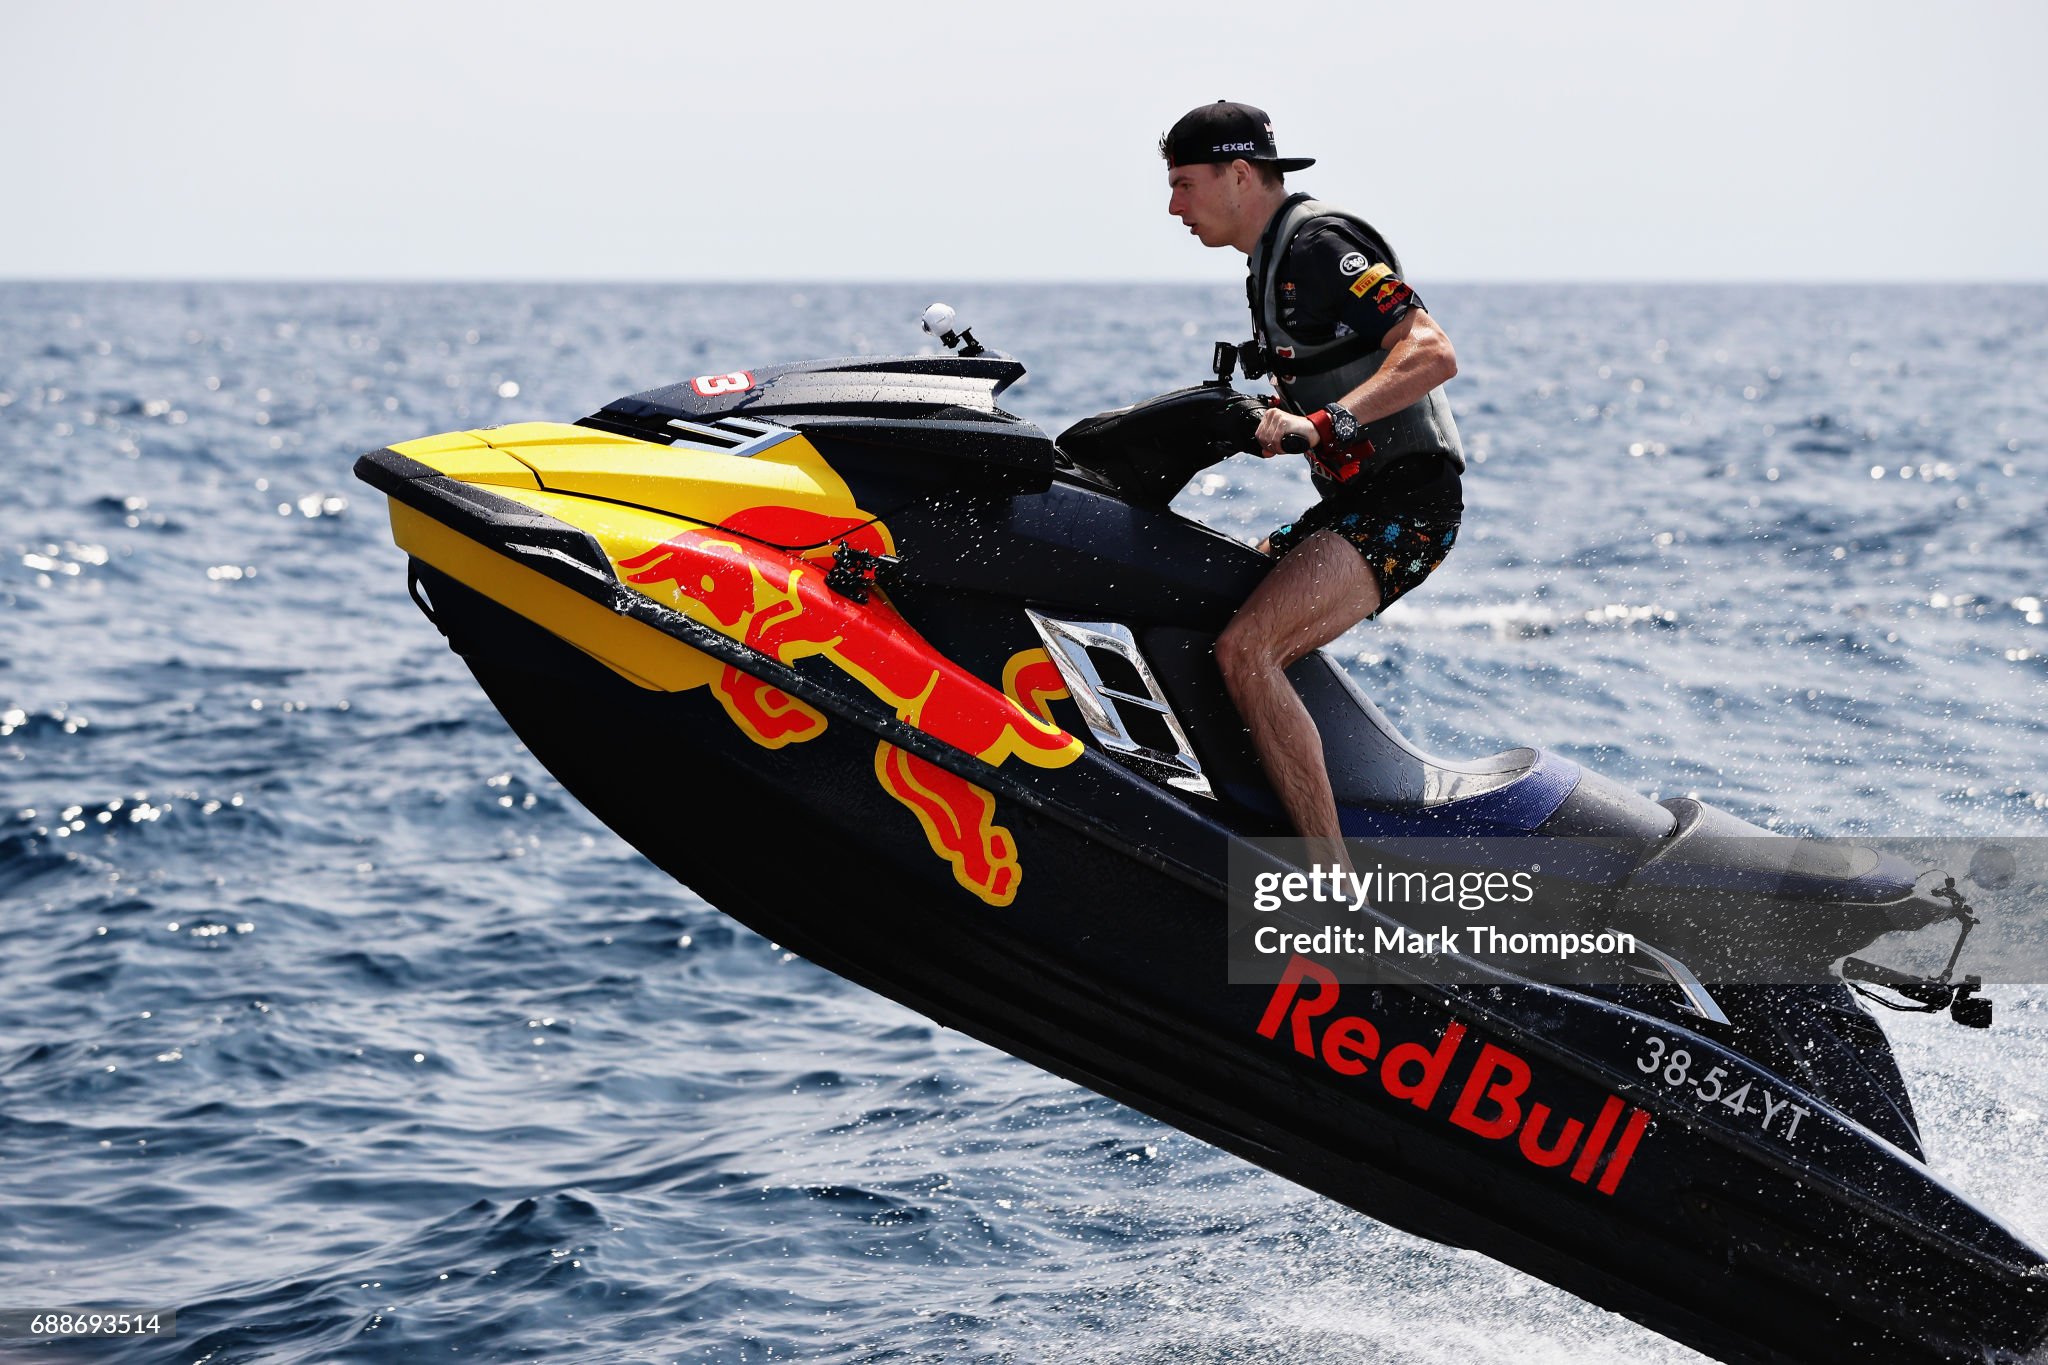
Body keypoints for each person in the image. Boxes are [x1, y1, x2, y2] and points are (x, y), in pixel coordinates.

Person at [1162, 101, 1465, 874]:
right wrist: (1272, 419)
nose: (1173, 207)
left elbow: (1431, 352)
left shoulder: (1321, 244)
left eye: (1184, 185)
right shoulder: (1265, 266)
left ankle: (1334, 891)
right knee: (1208, 611)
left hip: (1409, 506)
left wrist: (1323, 424)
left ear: (1238, 174)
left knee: (1248, 648)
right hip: (1353, 506)